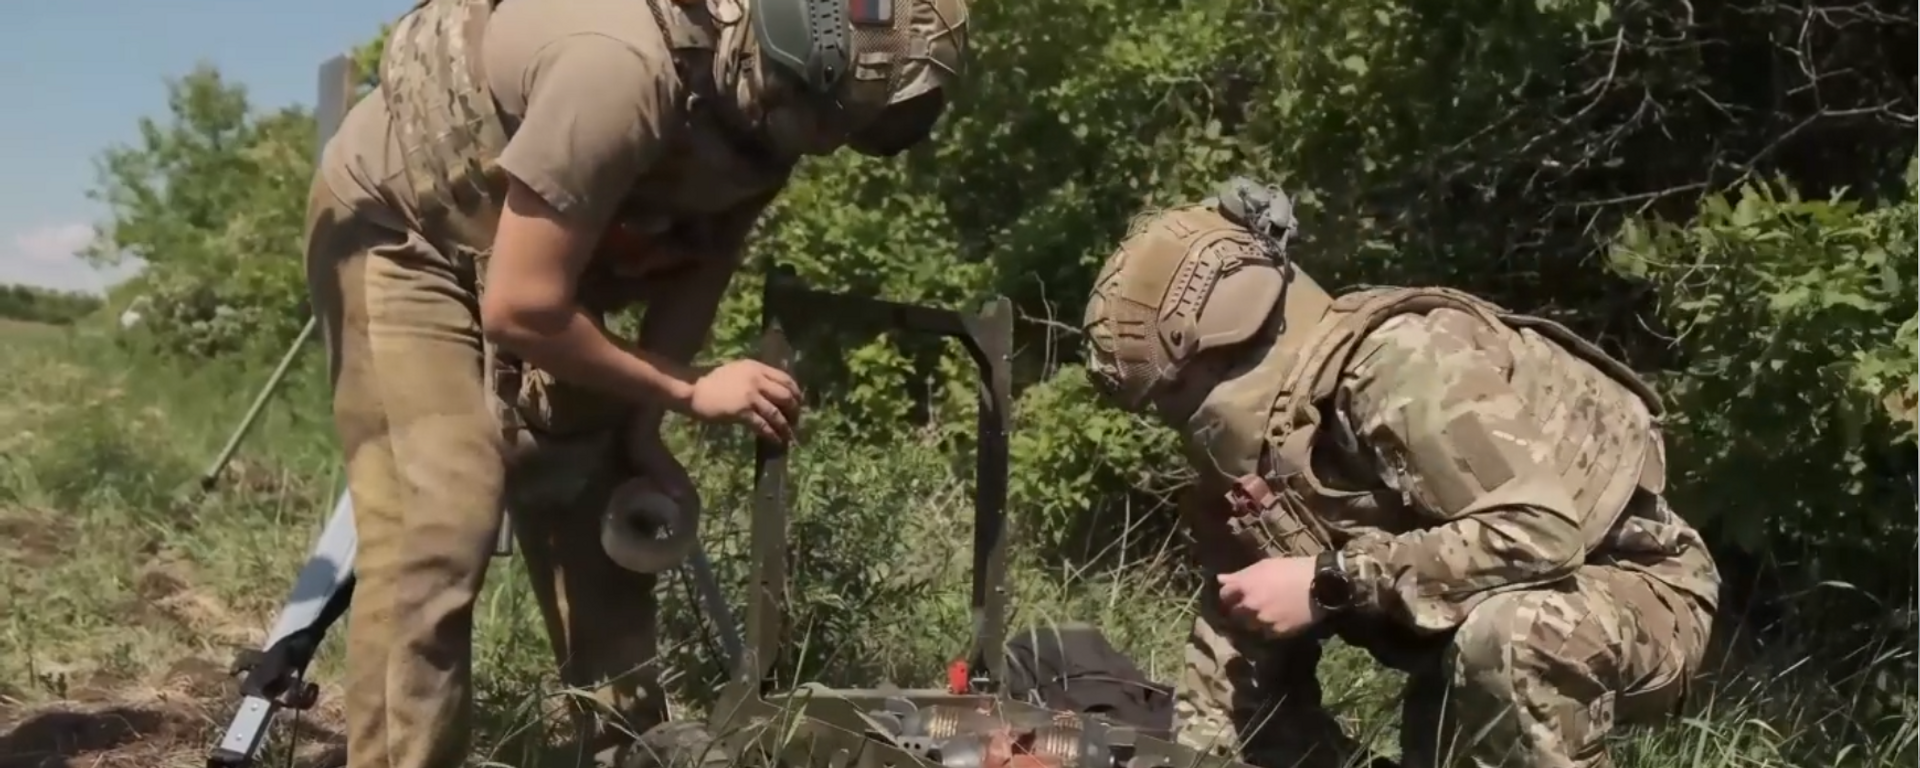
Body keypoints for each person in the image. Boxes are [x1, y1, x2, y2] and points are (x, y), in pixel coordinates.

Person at [302, 0, 968, 765]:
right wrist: (688, 388)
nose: (826, 143)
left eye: (845, 128)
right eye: (827, 119)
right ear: (788, 59)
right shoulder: (618, 71)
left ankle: (627, 746)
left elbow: (704, 255)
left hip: (555, 241)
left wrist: (642, 430)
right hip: (404, 227)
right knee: (442, 519)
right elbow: (521, 309)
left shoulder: (770, 106)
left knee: (602, 493)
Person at [1077, 178, 1720, 768]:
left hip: (1625, 588)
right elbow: (1232, 653)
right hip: (1463, 648)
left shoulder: (1398, 364)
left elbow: (1541, 533)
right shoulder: (1261, 441)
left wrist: (1330, 581)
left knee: (1513, 638)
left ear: (1215, 339)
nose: (1171, 412)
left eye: (1173, 390)